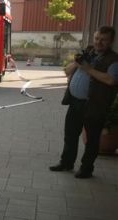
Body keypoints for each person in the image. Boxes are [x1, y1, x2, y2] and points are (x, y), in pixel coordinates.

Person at [50, 26, 118, 178]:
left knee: (92, 139)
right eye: (97, 38)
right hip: (75, 102)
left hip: (94, 105)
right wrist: (77, 62)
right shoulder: (88, 53)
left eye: (103, 40)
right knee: (70, 135)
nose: (98, 42)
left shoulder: (113, 60)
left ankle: (86, 169)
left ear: (111, 41)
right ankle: (66, 163)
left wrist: (88, 69)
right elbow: (67, 71)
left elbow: (111, 80)